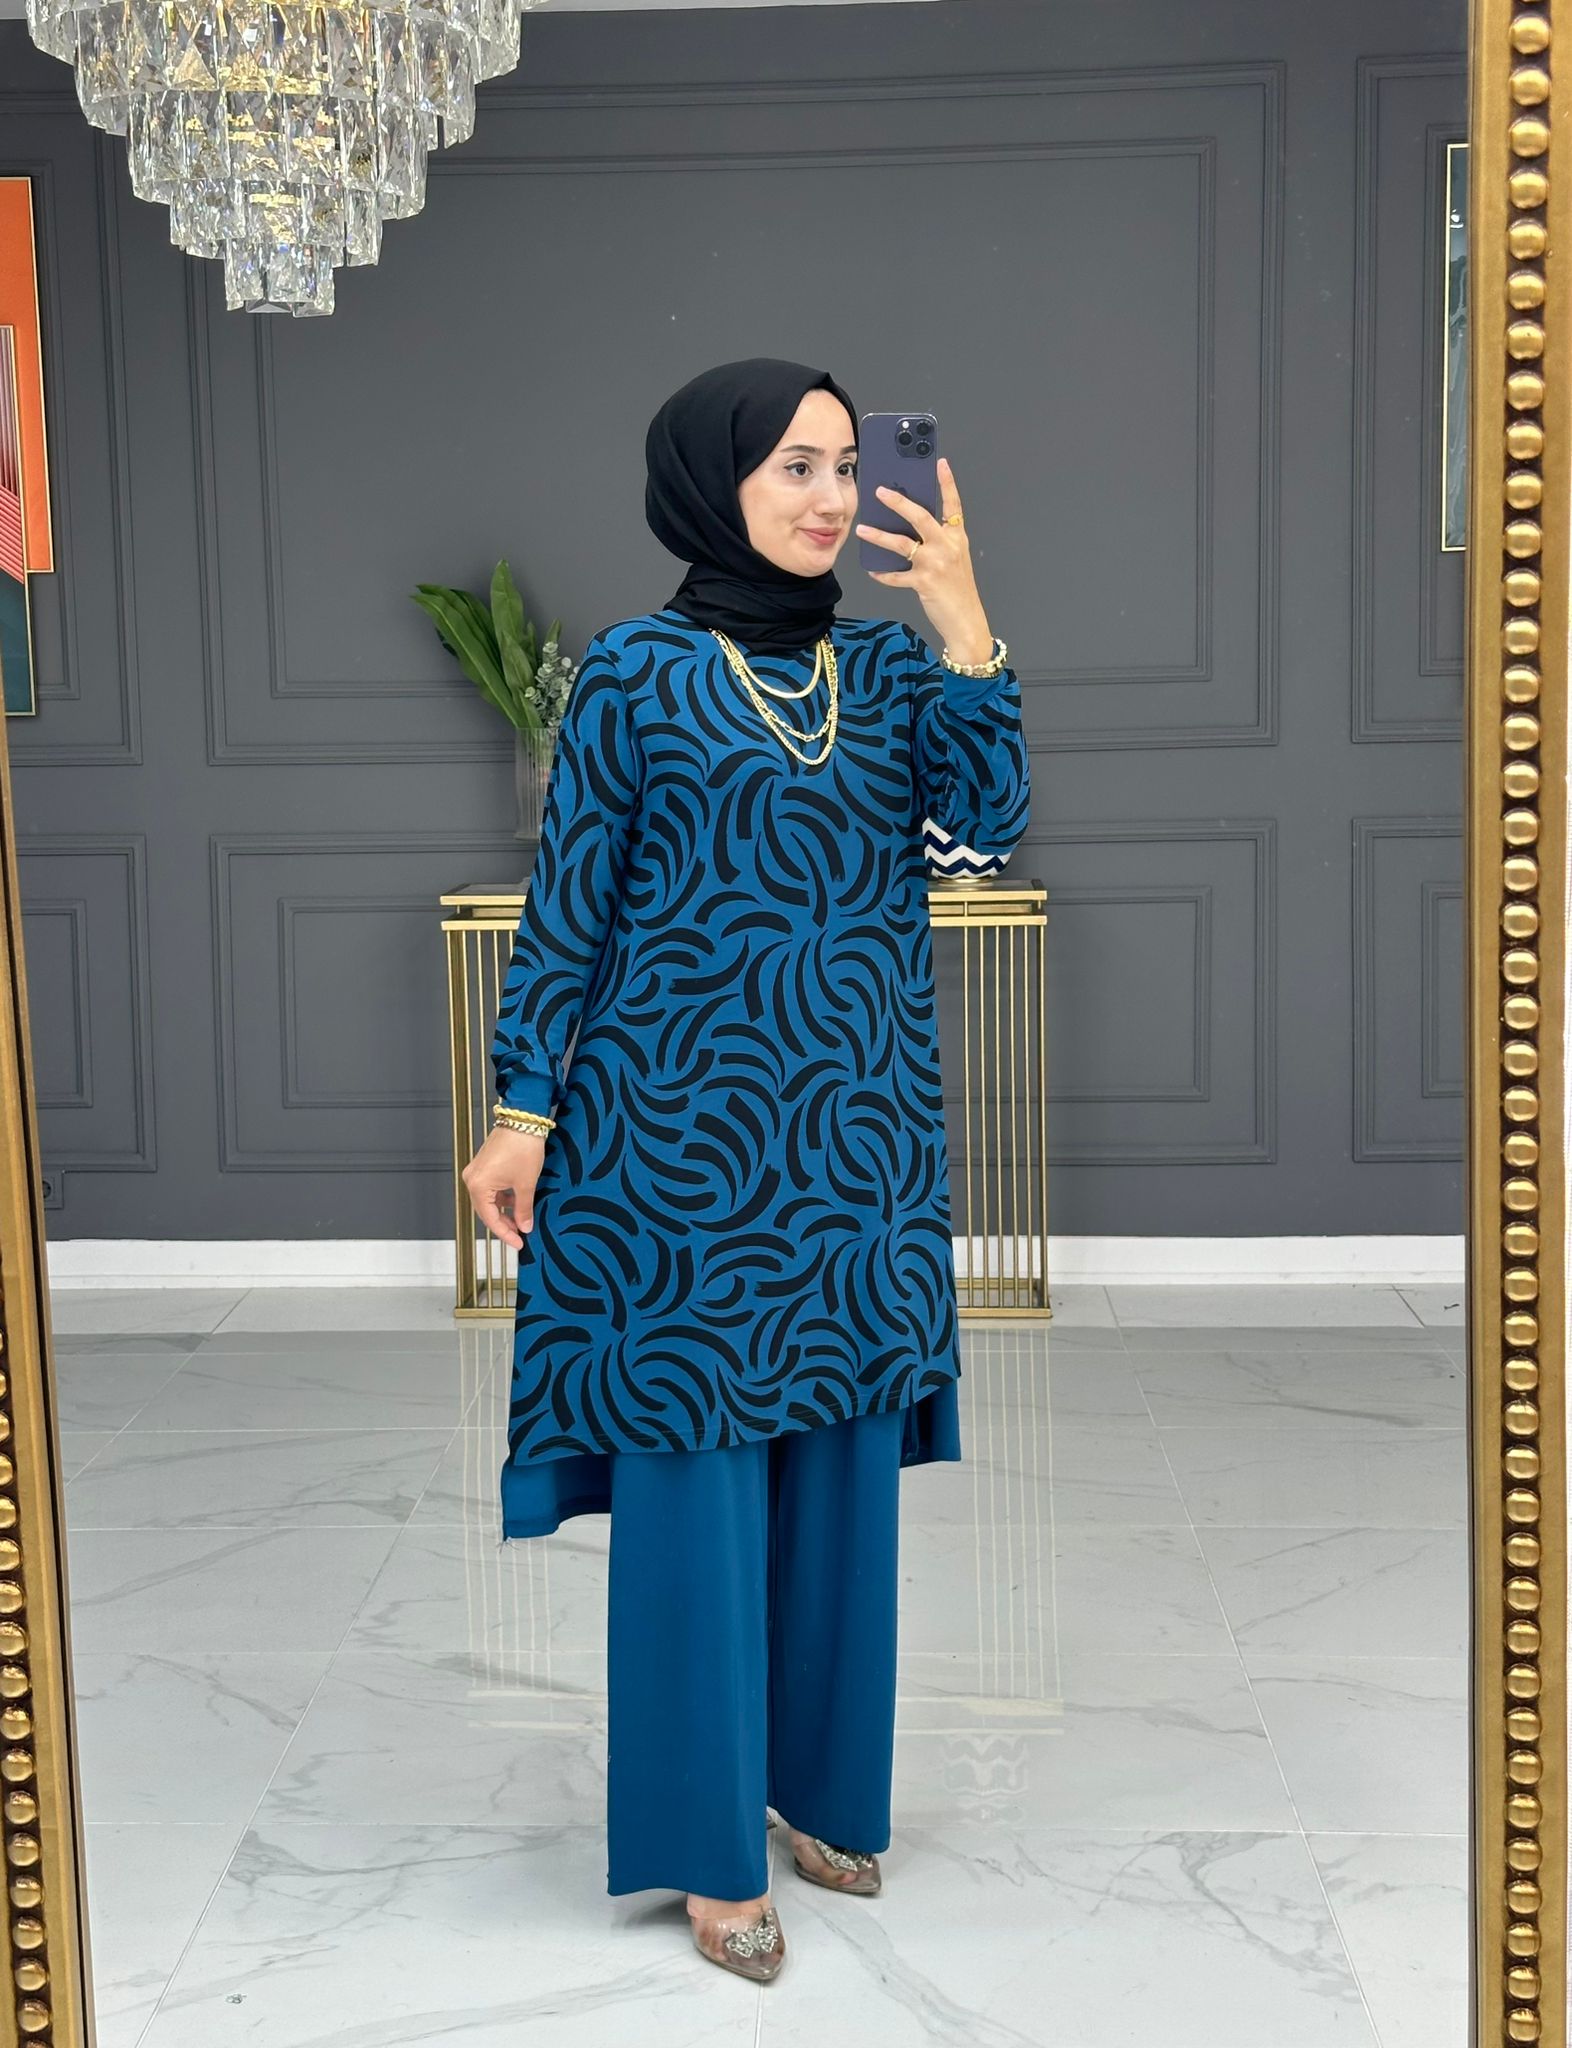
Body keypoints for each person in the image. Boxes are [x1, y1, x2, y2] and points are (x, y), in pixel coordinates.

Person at [461, 357, 1029, 1982]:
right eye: (796, 465)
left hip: (855, 1154)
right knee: (698, 1509)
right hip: (676, 1167)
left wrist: (965, 623)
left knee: (841, 1493)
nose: (833, 496)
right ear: (714, 484)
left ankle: (823, 1792)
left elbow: (981, 838)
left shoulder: (892, 673)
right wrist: (522, 1110)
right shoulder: (635, 675)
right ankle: (708, 1851)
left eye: (847, 465)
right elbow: (572, 902)